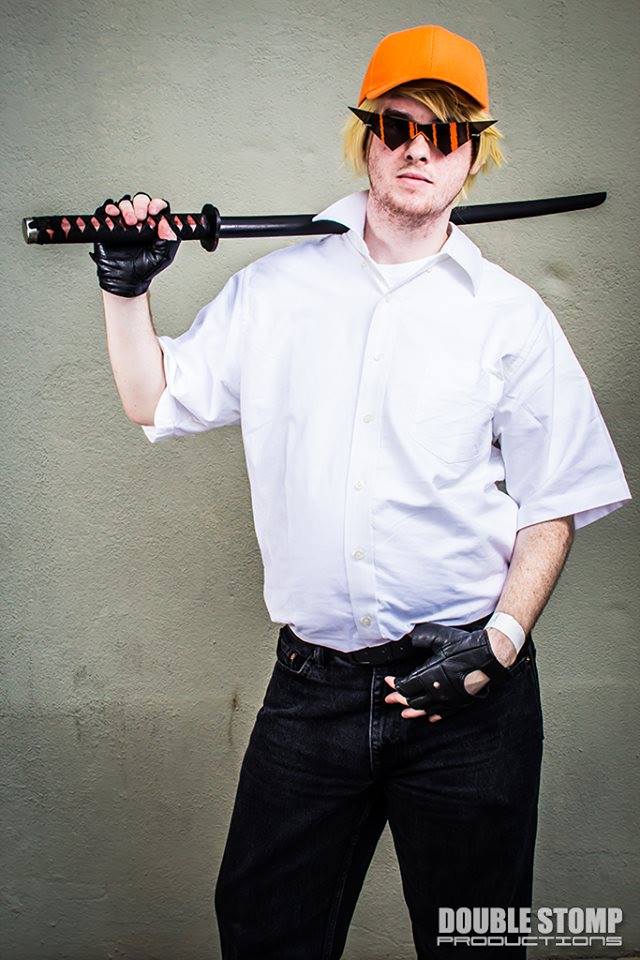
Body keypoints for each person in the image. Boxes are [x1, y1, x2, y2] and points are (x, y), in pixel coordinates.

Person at [91, 23, 632, 960]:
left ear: (472, 156)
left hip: (470, 692)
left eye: (446, 133)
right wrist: (124, 291)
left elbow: (557, 499)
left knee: (478, 944)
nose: (419, 148)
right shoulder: (275, 292)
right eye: (398, 126)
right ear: (367, 139)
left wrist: (497, 645)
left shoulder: (509, 317)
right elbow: (154, 398)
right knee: (265, 936)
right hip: (314, 693)